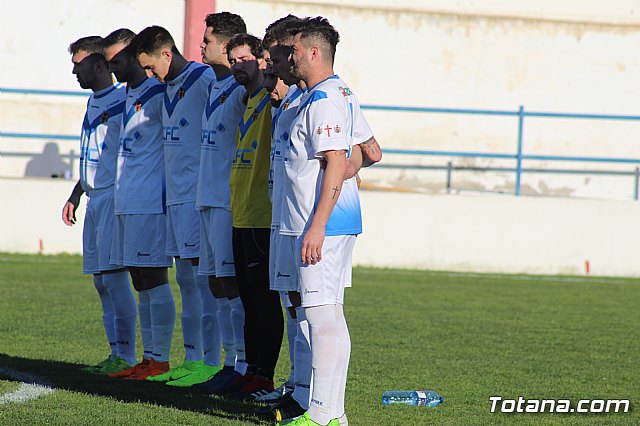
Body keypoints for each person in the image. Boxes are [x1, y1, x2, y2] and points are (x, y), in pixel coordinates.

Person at [278, 17, 380, 426]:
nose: (290, 56)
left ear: (314, 52)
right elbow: (370, 152)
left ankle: (321, 415)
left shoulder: (324, 99)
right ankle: (331, 414)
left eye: (295, 50)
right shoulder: (340, 93)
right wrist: (341, 170)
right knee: (327, 314)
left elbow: (337, 160)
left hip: (324, 223)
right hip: (329, 220)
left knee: (320, 316)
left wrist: (318, 223)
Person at [133, 25, 221, 387]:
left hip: (198, 196)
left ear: (166, 53)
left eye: (150, 67)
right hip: (175, 198)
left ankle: (211, 362)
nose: (149, 75)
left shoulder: (203, 79)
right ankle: (192, 357)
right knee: (185, 279)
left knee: (203, 281)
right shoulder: (166, 87)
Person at [101, 28, 175, 381]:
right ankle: (148, 359)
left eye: (117, 60)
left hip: (150, 201)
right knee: (138, 279)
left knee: (153, 276)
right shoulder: (128, 95)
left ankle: (160, 358)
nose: (112, 67)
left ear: (135, 56)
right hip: (126, 199)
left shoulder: (158, 92)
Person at [61, 36, 137, 375]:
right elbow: (94, 155)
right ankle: (115, 353)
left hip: (112, 197)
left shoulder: (123, 100)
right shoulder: (93, 102)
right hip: (93, 197)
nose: (74, 72)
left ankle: (128, 356)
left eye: (78, 65)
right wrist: (76, 193)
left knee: (115, 278)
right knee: (100, 281)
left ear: (99, 64)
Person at [214, 32, 284, 399]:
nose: (237, 66)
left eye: (244, 59)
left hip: (261, 212)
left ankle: (264, 375)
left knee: (263, 299)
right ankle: (250, 370)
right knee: (247, 296)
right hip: (240, 211)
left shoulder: (273, 101)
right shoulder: (248, 99)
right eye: (233, 60)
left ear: (260, 60)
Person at [193, 11, 249, 394]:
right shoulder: (213, 85)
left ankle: (244, 364)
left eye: (207, 40)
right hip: (207, 197)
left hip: (230, 200)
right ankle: (229, 363)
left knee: (232, 283)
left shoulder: (242, 89)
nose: (201, 46)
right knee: (215, 283)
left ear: (226, 46)